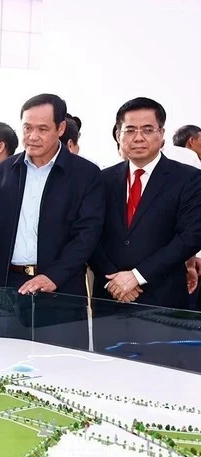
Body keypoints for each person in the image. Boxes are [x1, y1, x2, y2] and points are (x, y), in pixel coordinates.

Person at [0, 93, 104, 349]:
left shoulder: (85, 175)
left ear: (60, 128)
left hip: (60, 290)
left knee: (61, 372)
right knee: (6, 368)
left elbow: (87, 235)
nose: (32, 136)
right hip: (9, 292)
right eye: (27, 128)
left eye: (42, 129)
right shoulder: (3, 172)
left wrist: (53, 276)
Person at [91, 97, 201, 309]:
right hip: (109, 296)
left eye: (148, 130)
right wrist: (114, 280)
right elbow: (90, 234)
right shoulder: (102, 179)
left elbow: (191, 236)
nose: (138, 137)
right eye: (130, 130)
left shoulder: (189, 179)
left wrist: (137, 276)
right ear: (118, 135)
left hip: (162, 298)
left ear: (161, 135)